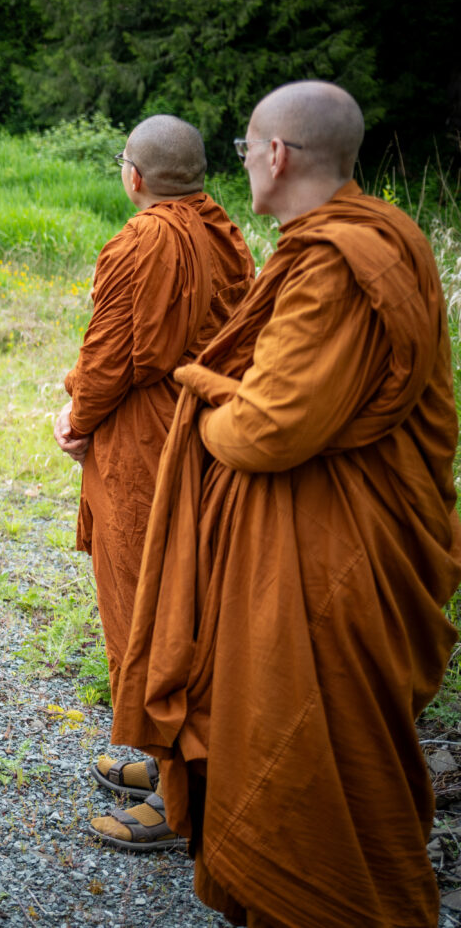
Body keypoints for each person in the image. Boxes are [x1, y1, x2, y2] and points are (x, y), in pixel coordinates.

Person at [114, 80, 461, 926]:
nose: (243, 165)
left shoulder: (336, 263)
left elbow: (266, 431)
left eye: (245, 149)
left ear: (275, 156)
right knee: (331, 747)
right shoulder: (391, 234)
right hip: (354, 524)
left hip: (333, 557)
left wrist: (202, 392)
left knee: (307, 747)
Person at [52, 115, 255, 851]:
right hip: (203, 440)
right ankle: (180, 766)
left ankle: (183, 803)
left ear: (132, 175)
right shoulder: (224, 231)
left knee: (150, 618)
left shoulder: (142, 238)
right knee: (188, 607)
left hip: (147, 451)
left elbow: (111, 359)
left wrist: (77, 413)